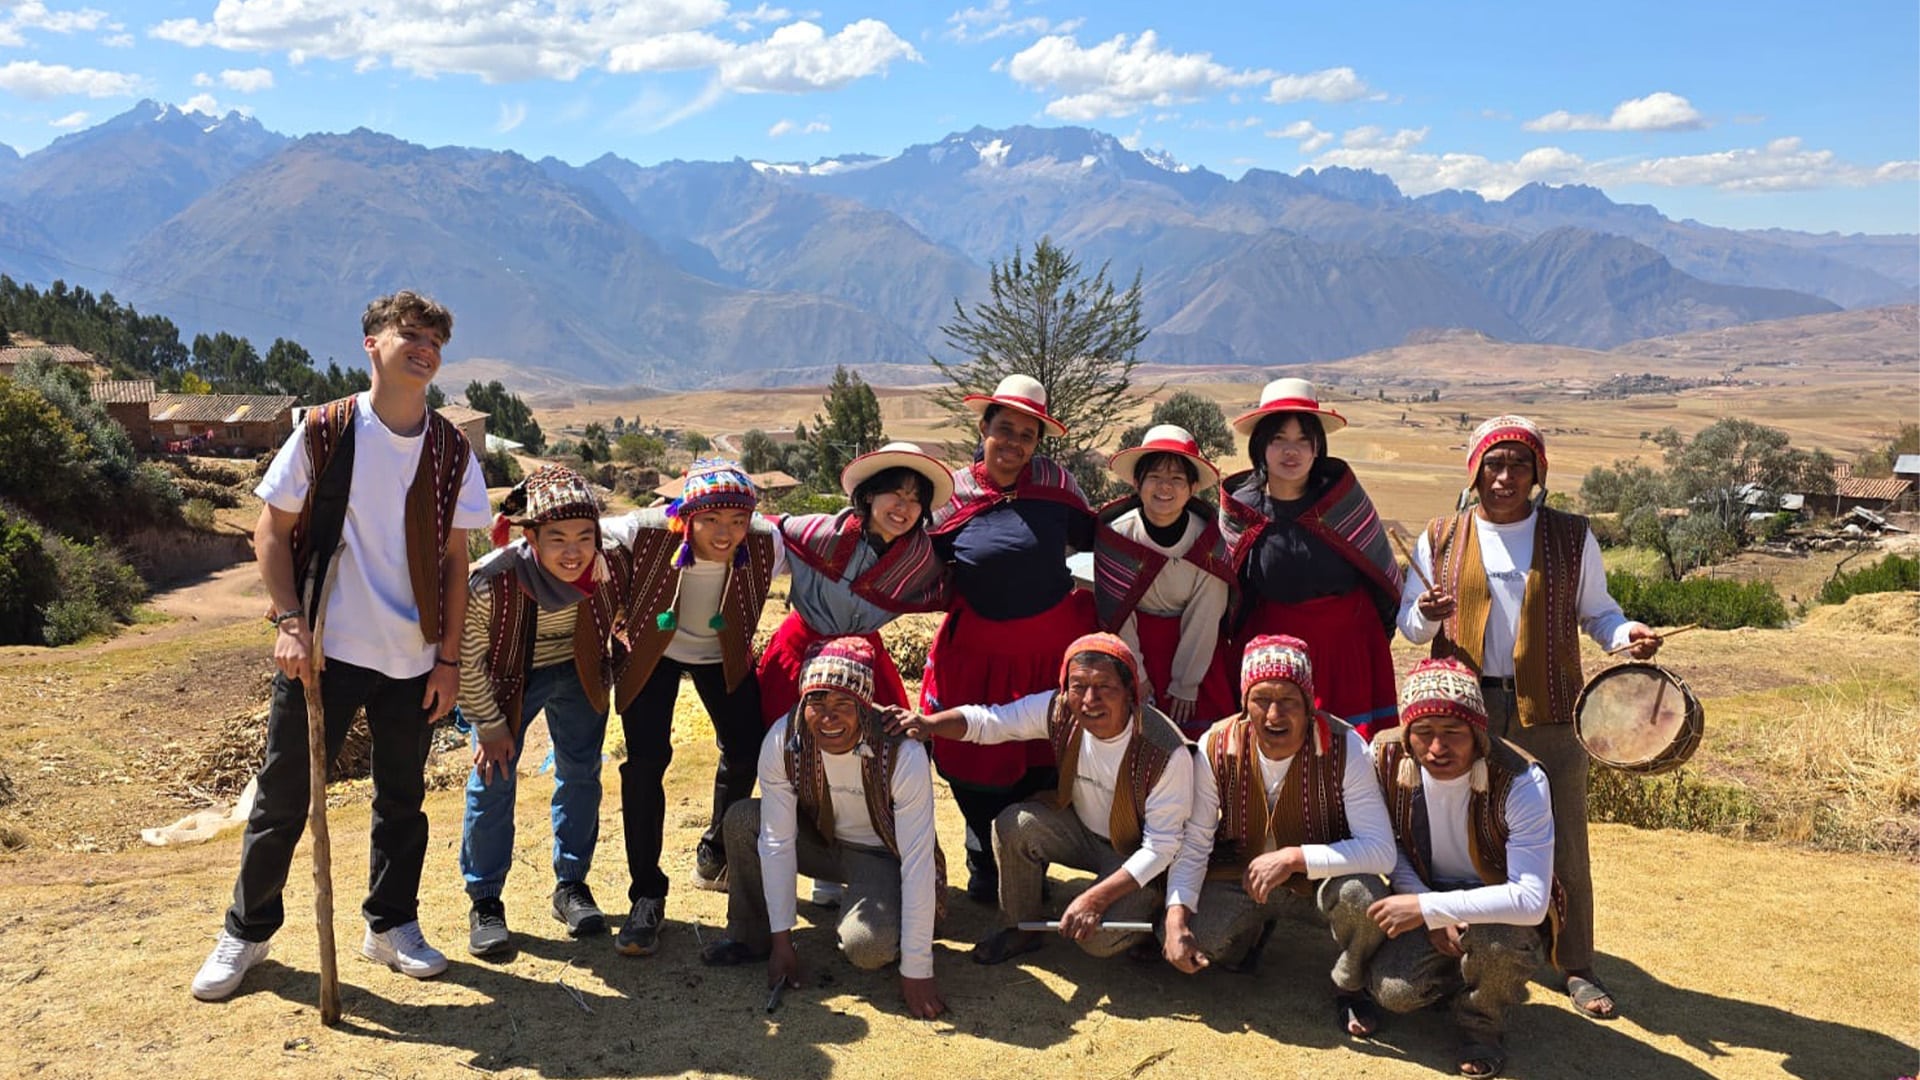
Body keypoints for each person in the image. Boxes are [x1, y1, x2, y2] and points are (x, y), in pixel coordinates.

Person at [192, 290, 490, 1001]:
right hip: (324, 651)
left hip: (414, 656)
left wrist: (449, 660)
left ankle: (390, 926)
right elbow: (270, 532)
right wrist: (291, 623)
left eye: (435, 342)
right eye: (411, 335)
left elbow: (456, 561)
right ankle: (247, 931)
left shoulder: (450, 450)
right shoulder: (325, 431)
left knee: (403, 800)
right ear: (371, 343)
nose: (425, 350)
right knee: (282, 798)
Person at [1395, 414, 1659, 1022]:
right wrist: (1428, 613)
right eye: (1493, 463)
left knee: (1565, 838)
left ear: (1538, 473)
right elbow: (1410, 629)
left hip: (1551, 708)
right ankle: (1469, 945)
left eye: (1519, 464)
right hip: (1464, 711)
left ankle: (1576, 965)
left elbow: (1599, 614)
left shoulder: (1571, 537)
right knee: (1463, 828)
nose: (1505, 476)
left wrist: (1627, 635)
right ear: (1474, 472)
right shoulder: (1440, 537)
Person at [891, 633, 1191, 965]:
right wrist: (929, 724)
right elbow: (991, 722)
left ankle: (1154, 919)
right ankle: (1021, 928)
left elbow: (1161, 846)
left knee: (1097, 938)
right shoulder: (1060, 709)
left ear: (1130, 693)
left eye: (1105, 687)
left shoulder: (1164, 750)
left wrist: (1095, 898)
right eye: (1078, 686)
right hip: (1082, 832)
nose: (1089, 700)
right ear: (1065, 688)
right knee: (1015, 825)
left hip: (1136, 851)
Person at [1162, 635, 1396, 1037]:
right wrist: (1175, 918)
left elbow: (1381, 851)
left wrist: (1294, 858)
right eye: (1261, 699)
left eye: (1288, 700)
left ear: (1308, 704)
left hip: (1320, 883)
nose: (1274, 714)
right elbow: (1196, 840)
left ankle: (1351, 985)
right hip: (1244, 876)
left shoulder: (1347, 748)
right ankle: (1253, 930)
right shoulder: (1216, 744)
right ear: (1244, 704)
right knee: (1200, 940)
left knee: (1363, 896)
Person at [702, 638, 947, 1020]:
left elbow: (917, 860)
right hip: (819, 841)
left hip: (880, 855)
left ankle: (892, 917)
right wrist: (782, 942)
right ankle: (752, 934)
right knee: (743, 819)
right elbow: (777, 841)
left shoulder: (902, 751)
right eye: (816, 701)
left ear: (864, 706)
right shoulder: (784, 739)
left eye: (843, 704)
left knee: (868, 948)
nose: (828, 718)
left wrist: (918, 968)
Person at [921, 374, 1096, 901]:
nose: (1013, 443)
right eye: (1004, 429)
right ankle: (982, 852)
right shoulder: (952, 496)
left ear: (1038, 442)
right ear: (984, 428)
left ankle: (1026, 857)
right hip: (977, 656)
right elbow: (915, 561)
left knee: (1042, 759)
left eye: (1027, 435)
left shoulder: (1057, 488)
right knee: (971, 758)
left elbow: (1103, 541)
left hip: (1051, 652)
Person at [600, 459, 784, 956]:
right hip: (652, 654)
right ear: (687, 517)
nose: (726, 534)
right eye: (711, 520)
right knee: (645, 764)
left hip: (722, 655)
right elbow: (585, 534)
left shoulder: (764, 541)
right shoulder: (646, 530)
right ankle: (646, 896)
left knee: (747, 748)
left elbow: (816, 537)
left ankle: (715, 850)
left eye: (738, 520)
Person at [761, 441, 951, 909]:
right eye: (895, 494)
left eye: (915, 499)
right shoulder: (819, 534)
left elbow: (957, 586)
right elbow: (761, 535)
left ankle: (854, 857)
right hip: (800, 656)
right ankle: (804, 860)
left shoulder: (919, 560)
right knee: (797, 756)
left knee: (874, 758)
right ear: (868, 495)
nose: (903, 507)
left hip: (864, 662)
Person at [457, 465, 629, 955]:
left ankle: (571, 884)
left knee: (581, 774)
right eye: (557, 539)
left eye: (584, 537)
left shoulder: (607, 569)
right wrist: (490, 725)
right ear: (530, 537)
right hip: (508, 680)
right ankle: (485, 900)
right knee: (492, 779)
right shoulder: (491, 584)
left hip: (578, 671)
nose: (573, 552)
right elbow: (468, 659)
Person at [1364, 658, 1565, 1079]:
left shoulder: (1521, 779)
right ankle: (1462, 978)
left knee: (1497, 943)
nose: (1437, 748)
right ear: (1407, 735)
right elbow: (1388, 845)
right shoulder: (1384, 757)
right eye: (1423, 732)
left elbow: (1530, 900)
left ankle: (1482, 1026)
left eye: (1453, 732)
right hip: (1426, 891)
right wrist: (1427, 906)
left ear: (1477, 733)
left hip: (1500, 910)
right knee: (1393, 993)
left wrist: (1430, 910)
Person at [1221, 378, 1403, 738]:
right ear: (1260, 446)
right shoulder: (1242, 509)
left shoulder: (1343, 501)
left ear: (1318, 447)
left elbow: (1380, 576)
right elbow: (1228, 589)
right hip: (1270, 655)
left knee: (1345, 753)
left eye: (1304, 440)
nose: (1292, 451)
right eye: (1279, 439)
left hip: (1345, 650)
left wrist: (1371, 642)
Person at [1094, 424, 1235, 738]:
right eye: (1155, 476)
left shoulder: (1207, 540)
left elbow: (1207, 610)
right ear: (1137, 482)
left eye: (1177, 479)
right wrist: (1136, 673)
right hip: (1134, 646)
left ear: (1193, 487)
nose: (1165, 487)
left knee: (1202, 738)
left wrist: (1186, 684)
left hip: (1196, 648)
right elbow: (1117, 609)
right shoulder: (1118, 535)